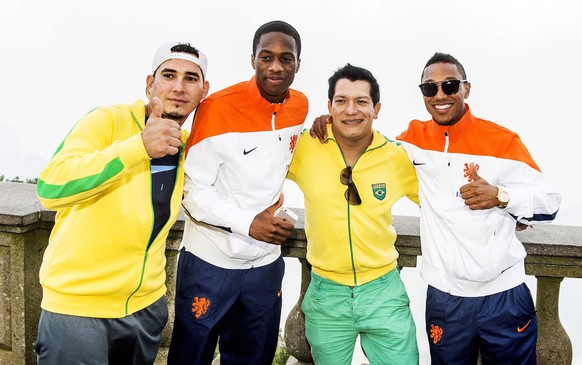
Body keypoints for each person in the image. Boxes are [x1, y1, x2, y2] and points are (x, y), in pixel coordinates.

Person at [311, 52, 562, 364]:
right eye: (430, 88)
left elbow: (550, 203)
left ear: (466, 89)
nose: (440, 95)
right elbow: (367, 145)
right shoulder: (412, 141)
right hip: (444, 298)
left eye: (450, 85)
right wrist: (328, 125)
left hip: (504, 295)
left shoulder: (502, 141)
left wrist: (502, 196)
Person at [35, 42, 210, 365]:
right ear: (149, 83)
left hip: (144, 311)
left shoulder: (187, 145)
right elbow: (51, 186)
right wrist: (137, 147)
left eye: (190, 78)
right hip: (79, 309)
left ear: (204, 90)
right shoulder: (108, 120)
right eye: (168, 75)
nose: (178, 87)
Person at [167, 20, 307, 365]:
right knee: (190, 358)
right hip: (209, 262)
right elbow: (192, 191)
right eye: (266, 57)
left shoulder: (300, 106)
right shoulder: (217, 108)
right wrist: (248, 223)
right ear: (253, 60)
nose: (276, 66)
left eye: (286, 59)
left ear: (298, 64)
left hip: (265, 265)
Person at [289, 64, 419, 364]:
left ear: (377, 108)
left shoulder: (396, 156)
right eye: (341, 101)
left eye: (361, 101)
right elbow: (256, 176)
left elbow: (438, 202)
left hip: (384, 290)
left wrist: (502, 209)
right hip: (325, 294)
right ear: (329, 107)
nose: (351, 110)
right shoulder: (305, 147)